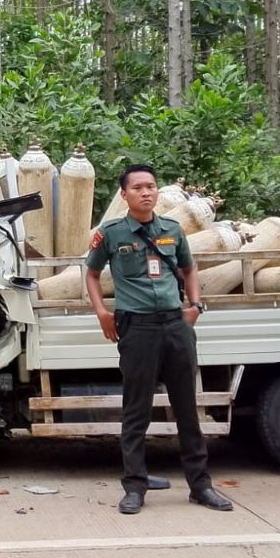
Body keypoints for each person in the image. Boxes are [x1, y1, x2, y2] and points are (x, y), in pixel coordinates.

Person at [85, 164, 232, 515]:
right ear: (124, 195)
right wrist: (102, 313)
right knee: (136, 412)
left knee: (187, 410)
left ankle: (201, 486)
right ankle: (134, 487)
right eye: (137, 187)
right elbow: (90, 274)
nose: (146, 192)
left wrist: (195, 305)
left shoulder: (172, 229)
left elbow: (189, 267)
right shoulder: (111, 233)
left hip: (175, 327)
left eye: (151, 186)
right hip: (137, 329)